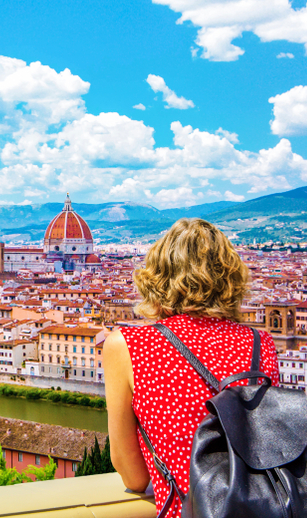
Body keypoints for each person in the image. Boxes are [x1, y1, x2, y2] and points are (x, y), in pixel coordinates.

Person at [103, 218, 279, 517]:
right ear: (230, 277)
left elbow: (133, 475)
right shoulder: (259, 342)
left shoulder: (128, 344)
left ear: (156, 275)